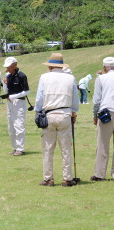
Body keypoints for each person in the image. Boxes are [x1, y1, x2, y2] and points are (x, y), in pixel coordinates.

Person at [34, 53, 79, 187]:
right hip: (65, 114)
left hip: (49, 114)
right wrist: (74, 112)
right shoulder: (70, 78)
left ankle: (48, 178)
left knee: (48, 149)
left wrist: (37, 111)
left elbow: (39, 98)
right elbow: (75, 100)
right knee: (66, 149)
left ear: (51, 66)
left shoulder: (44, 77)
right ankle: (67, 178)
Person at [91, 57, 114, 181]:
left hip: (107, 113)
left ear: (105, 67)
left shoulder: (101, 78)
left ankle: (100, 174)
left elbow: (97, 100)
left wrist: (95, 115)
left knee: (103, 144)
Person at [3, 57, 30, 156]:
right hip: (10, 103)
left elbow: (27, 91)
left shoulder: (22, 76)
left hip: (19, 103)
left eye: (9, 66)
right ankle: (14, 147)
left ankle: (20, 148)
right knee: (11, 126)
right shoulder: (8, 76)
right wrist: (4, 83)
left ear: (15, 65)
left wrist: (14, 96)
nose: (7, 68)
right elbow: (6, 92)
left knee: (19, 125)